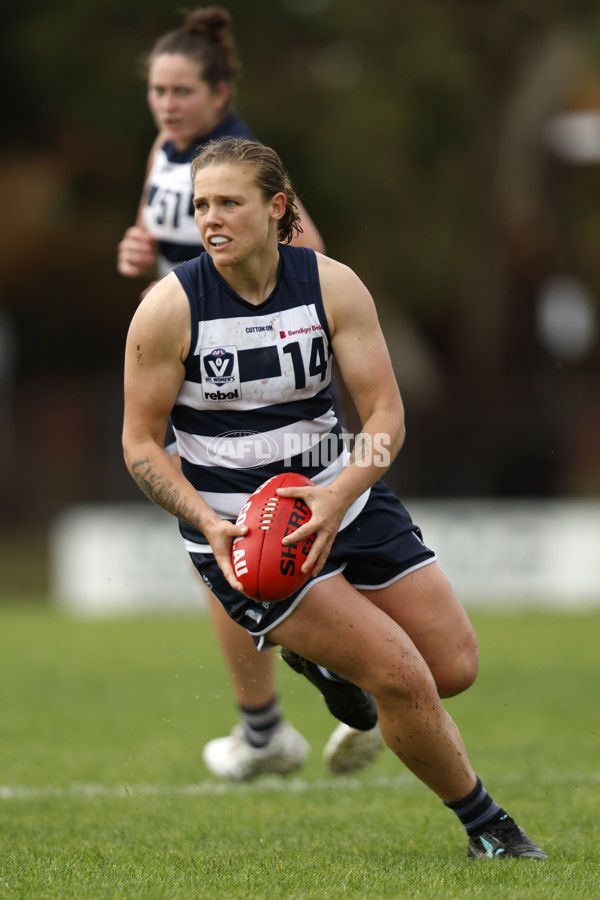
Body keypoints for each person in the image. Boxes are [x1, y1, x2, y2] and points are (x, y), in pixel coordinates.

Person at [122, 136, 548, 859]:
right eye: (201, 206)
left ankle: (321, 664)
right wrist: (205, 522)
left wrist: (341, 491)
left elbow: (386, 415)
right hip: (245, 536)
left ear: (277, 207)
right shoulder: (169, 308)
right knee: (401, 676)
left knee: (453, 668)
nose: (211, 219)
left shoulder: (332, 285)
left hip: (340, 496)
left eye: (230, 202)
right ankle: (489, 827)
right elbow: (138, 443)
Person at [117, 6, 382, 781]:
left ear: (220, 91)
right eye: (157, 90)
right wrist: (142, 251)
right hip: (178, 351)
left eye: (182, 91)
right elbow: (160, 240)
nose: (167, 104)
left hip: (245, 383)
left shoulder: (242, 163)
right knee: (218, 542)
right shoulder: (167, 154)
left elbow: (309, 257)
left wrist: (244, 319)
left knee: (245, 541)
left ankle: (301, 700)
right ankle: (265, 723)